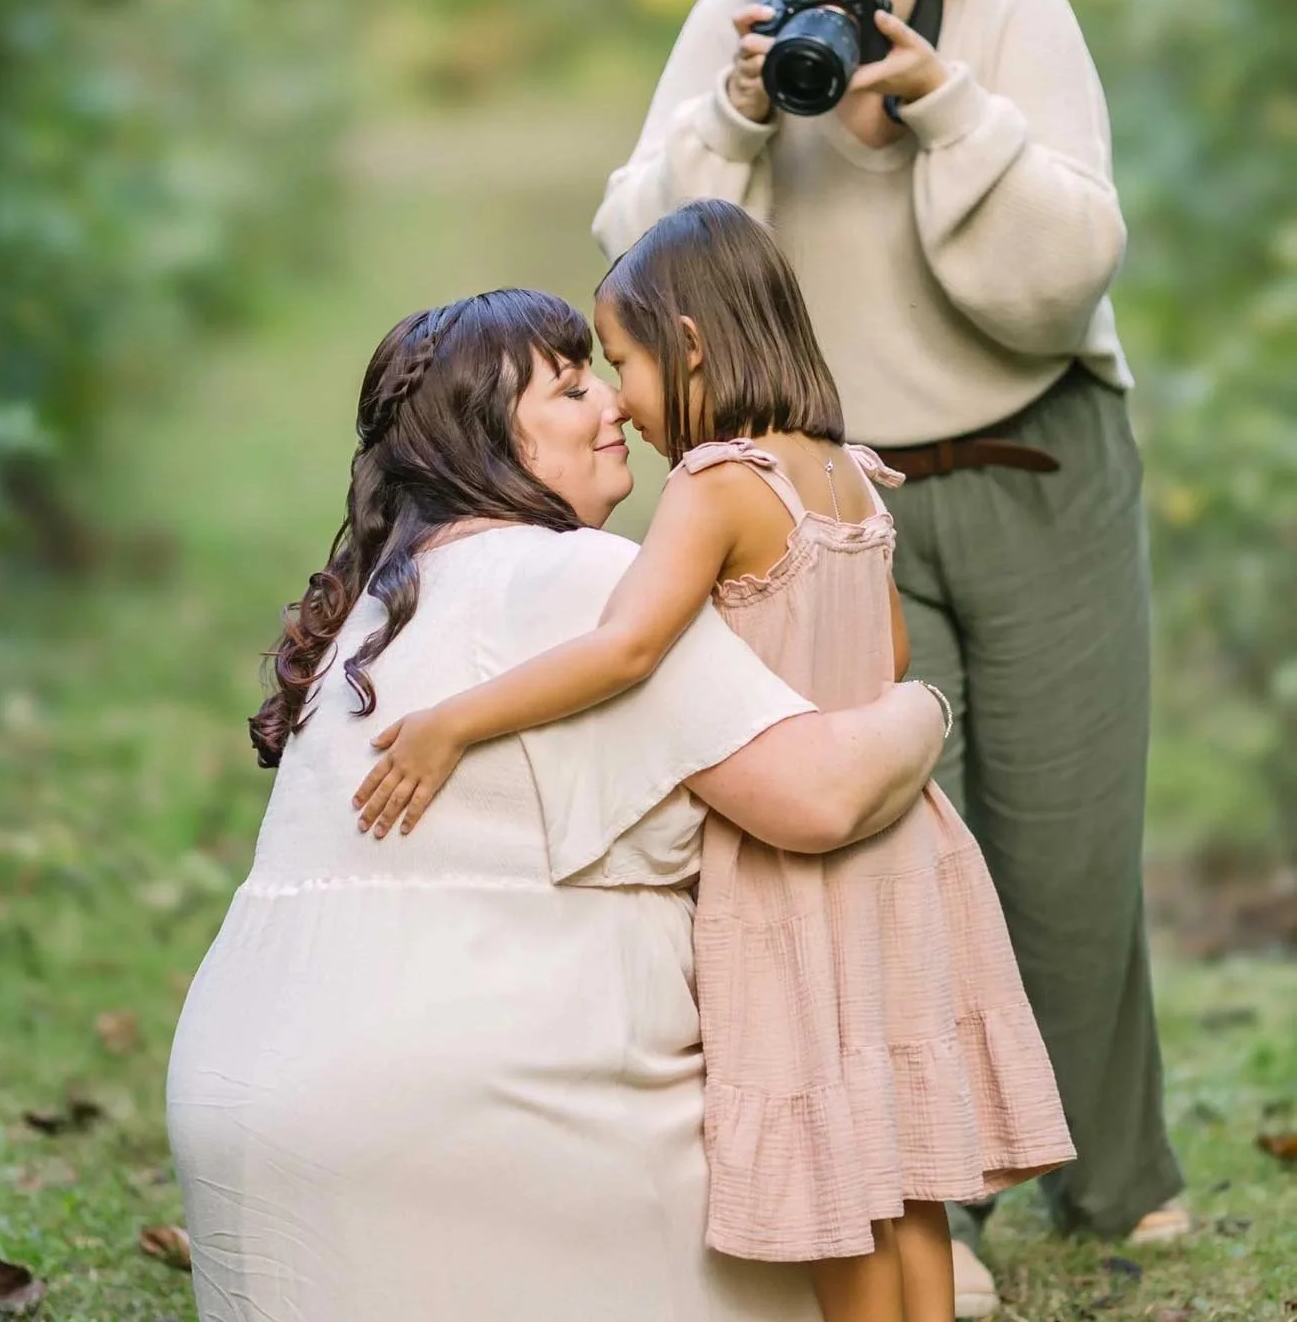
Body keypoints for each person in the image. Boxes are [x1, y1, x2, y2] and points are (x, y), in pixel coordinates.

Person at [588, 0, 1185, 1315]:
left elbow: (1047, 290)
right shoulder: (737, 28)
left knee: (1058, 845)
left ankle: (1117, 1174)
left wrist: (938, 107)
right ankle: (943, 1200)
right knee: (882, 861)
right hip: (833, 506)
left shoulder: (1007, 13)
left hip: (1035, 457)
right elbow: (642, 269)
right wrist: (732, 113)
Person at [166, 288, 947, 1322]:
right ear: (483, 430)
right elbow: (817, 796)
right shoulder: (581, 578)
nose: (615, 406)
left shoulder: (370, 610)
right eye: (573, 384)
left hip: (250, 1134)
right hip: (469, 1131)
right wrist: (923, 708)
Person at [354, 203, 1074, 1322]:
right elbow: (885, 657)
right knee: (902, 1162)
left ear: (689, 345)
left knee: (835, 1165)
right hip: (903, 849)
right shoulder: (842, 472)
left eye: (626, 362)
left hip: (789, 878)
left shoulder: (715, 481)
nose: (623, 401)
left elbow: (627, 643)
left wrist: (459, 718)